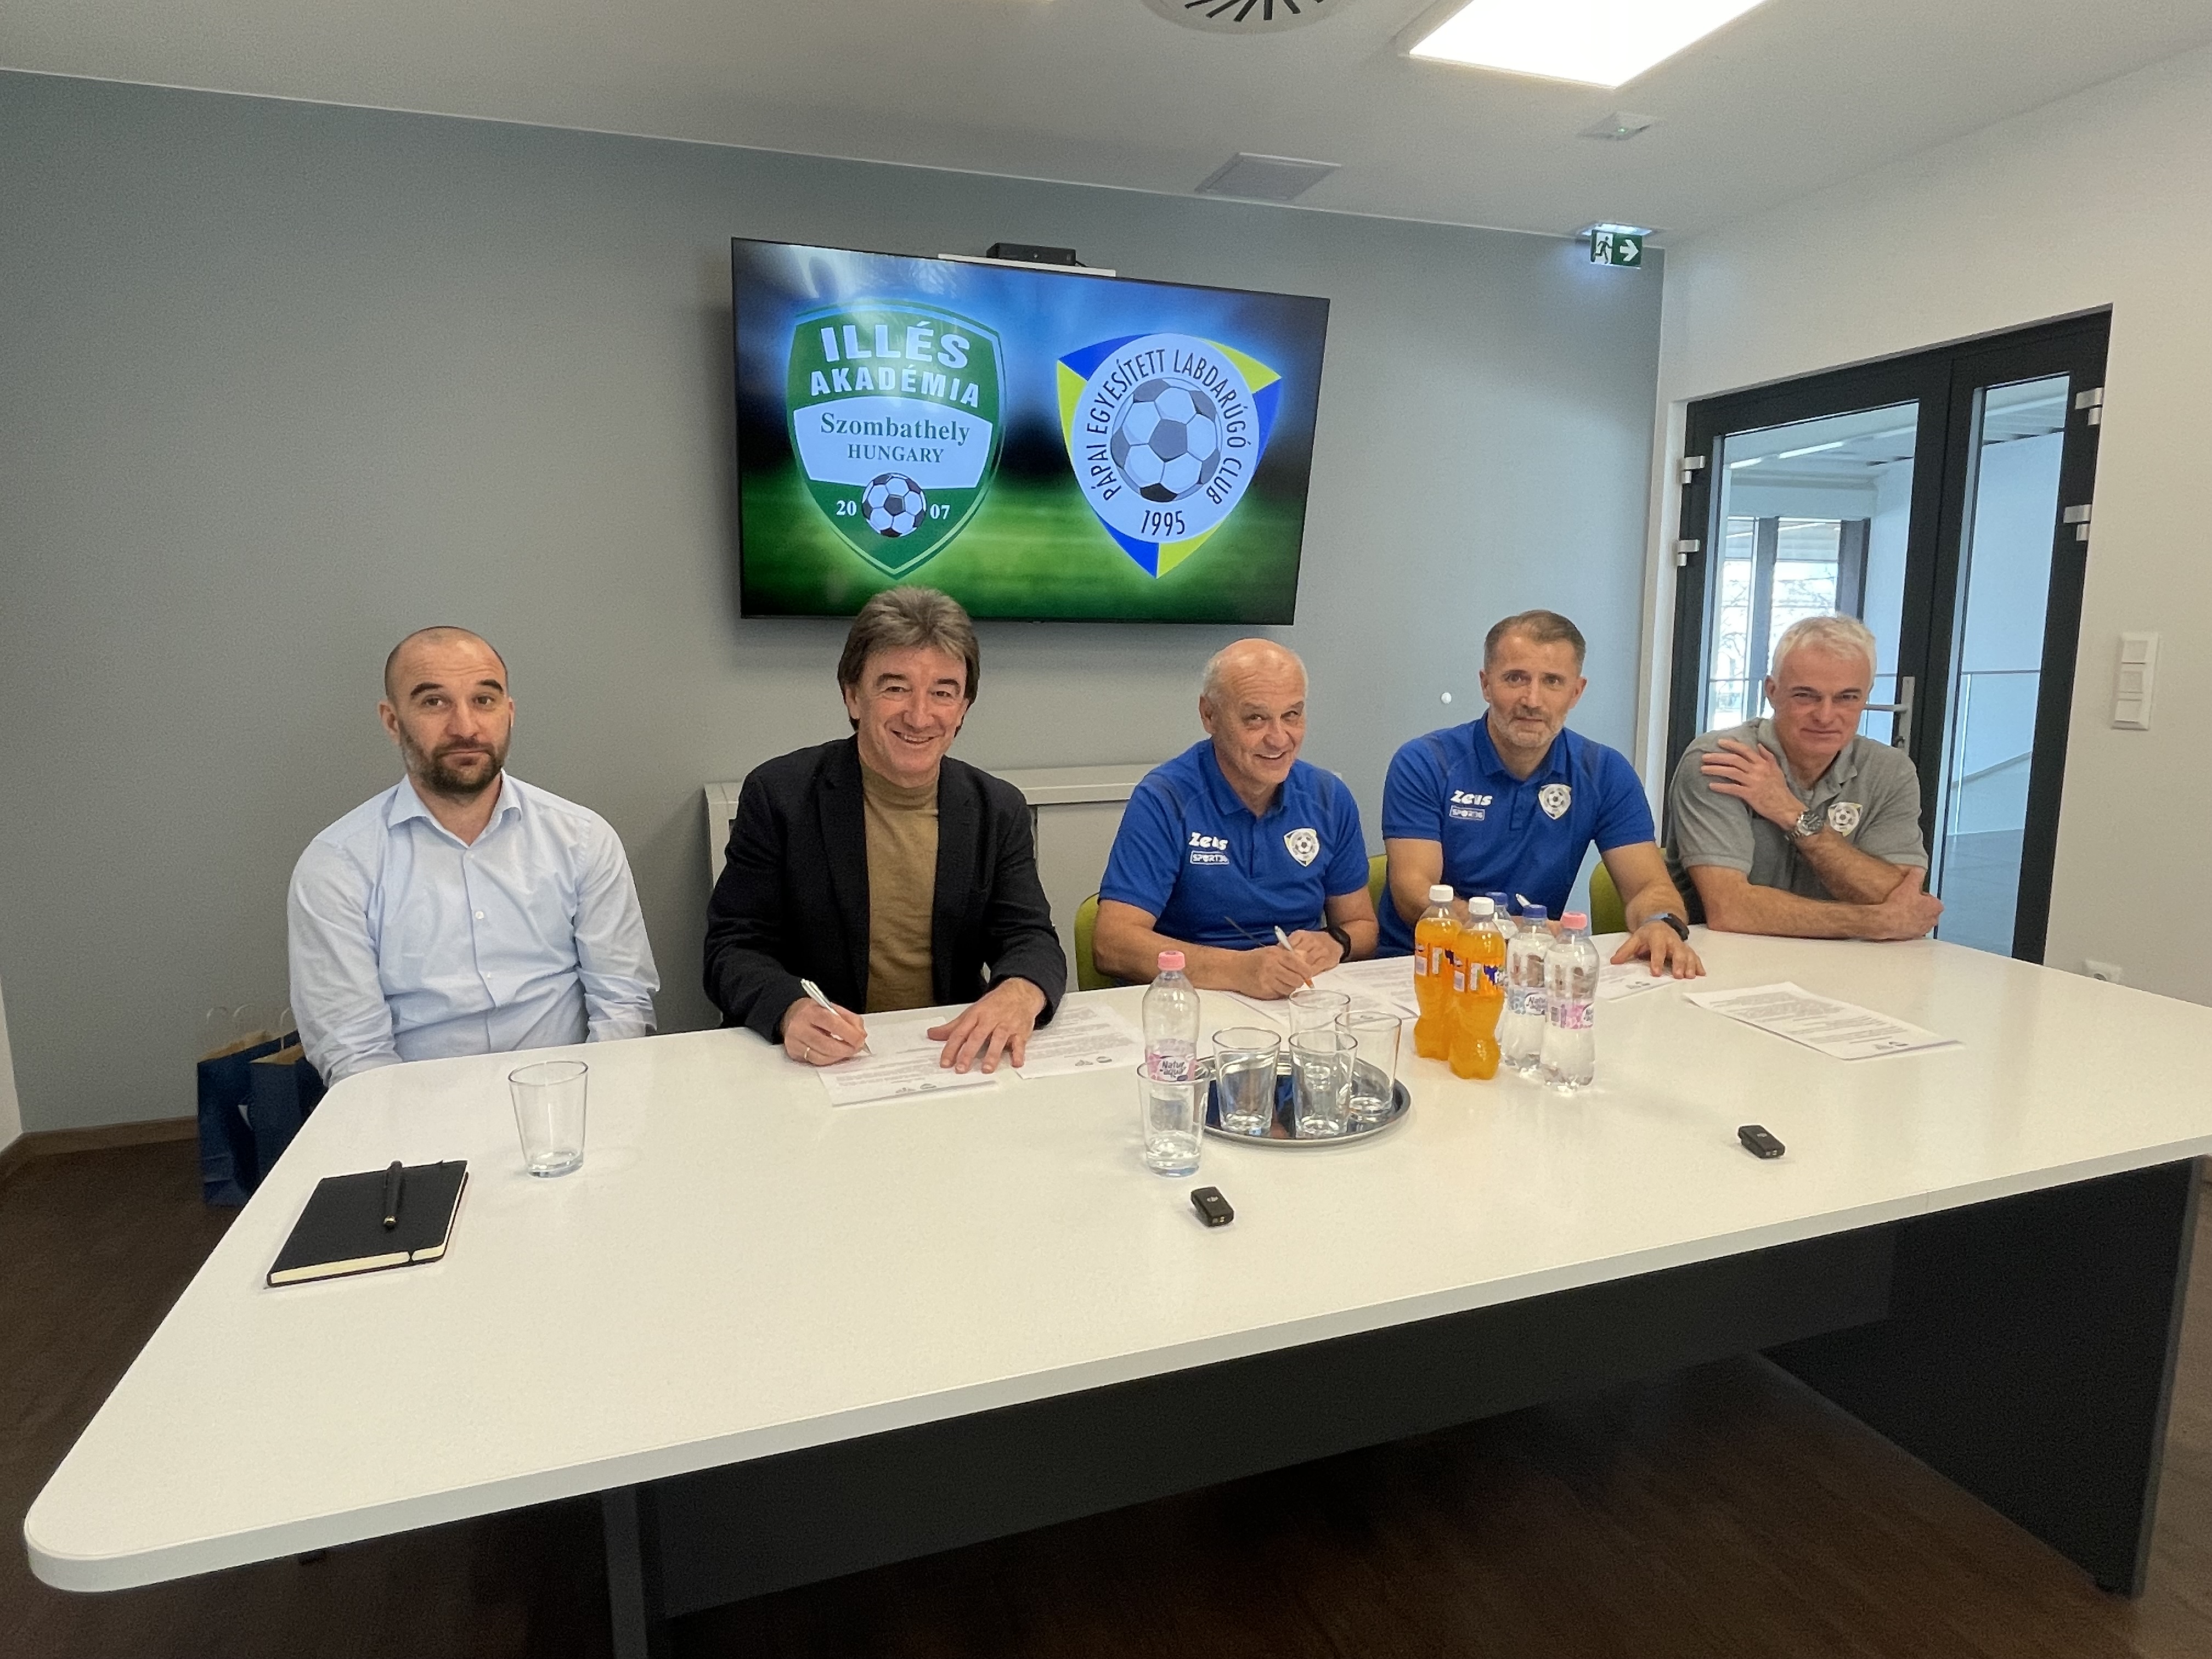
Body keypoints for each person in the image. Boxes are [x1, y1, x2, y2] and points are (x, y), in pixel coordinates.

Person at [704, 586, 1064, 1073]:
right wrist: (791, 1009)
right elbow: (732, 948)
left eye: (943, 693)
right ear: (853, 696)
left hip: (942, 1057)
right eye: (895, 688)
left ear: (963, 708)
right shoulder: (780, 796)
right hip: (822, 1063)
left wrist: (1020, 991)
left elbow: (1031, 938)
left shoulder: (997, 808)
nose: (919, 716)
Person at [289, 627, 659, 1085]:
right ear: (392, 721)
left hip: (569, 1097)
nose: (465, 727)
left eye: (484, 700)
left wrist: (587, 1099)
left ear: (509, 713)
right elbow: (354, 1052)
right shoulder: (337, 866)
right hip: (414, 1109)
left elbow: (623, 1004)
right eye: (434, 702)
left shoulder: (582, 839)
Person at [1380, 610, 1703, 978]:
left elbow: (1648, 886)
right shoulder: (1426, 762)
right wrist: (1505, 928)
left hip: (1533, 969)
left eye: (1552, 681)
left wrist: (1661, 922)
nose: (1532, 700)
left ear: (1576, 692)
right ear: (1486, 685)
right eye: (1515, 678)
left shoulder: (1604, 772)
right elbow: (1413, 892)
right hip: (1422, 965)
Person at [1093, 640, 1379, 997]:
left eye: (1292, 715)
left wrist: (1334, 942)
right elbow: (1112, 944)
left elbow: (1361, 926)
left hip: (1299, 998)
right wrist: (1238, 970)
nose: (1279, 739)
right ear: (1209, 716)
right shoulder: (1166, 798)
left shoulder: (1328, 796)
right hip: (1195, 999)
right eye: (1255, 719)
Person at [1666, 614, 1944, 939]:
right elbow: (1730, 909)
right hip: (1723, 957)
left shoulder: (1890, 771)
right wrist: (1871, 922)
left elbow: (1898, 895)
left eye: (1847, 698)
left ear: (1866, 696)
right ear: (1772, 691)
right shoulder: (1726, 759)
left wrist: (1793, 814)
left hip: (1850, 960)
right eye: (1805, 696)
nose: (1825, 716)